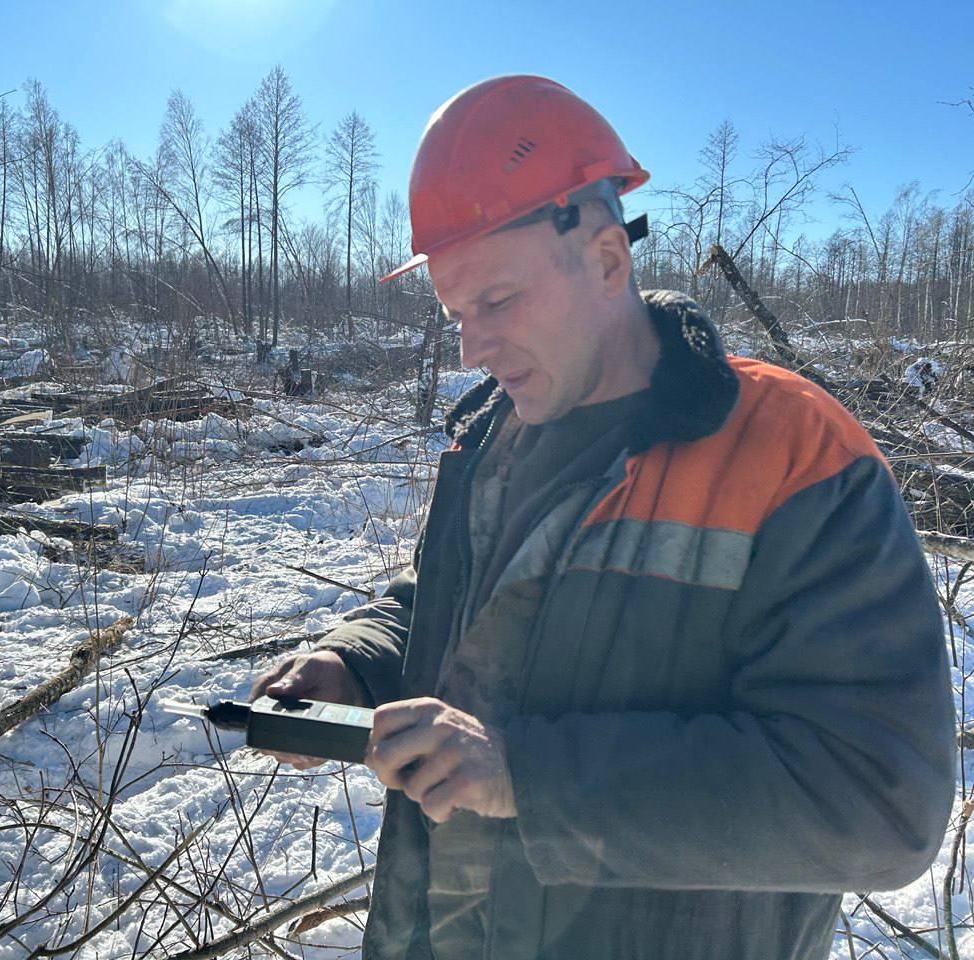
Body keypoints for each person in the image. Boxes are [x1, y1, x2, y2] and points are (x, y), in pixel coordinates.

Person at [248, 75, 955, 960]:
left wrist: (532, 778)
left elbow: (880, 806)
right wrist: (353, 665)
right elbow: (455, 607)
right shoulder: (495, 433)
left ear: (607, 262)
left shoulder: (794, 456)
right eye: (456, 313)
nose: (472, 347)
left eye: (497, 302)